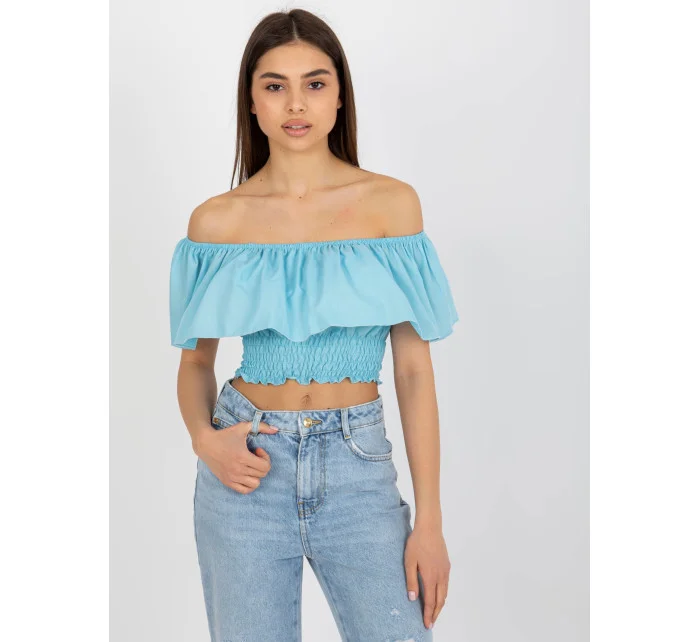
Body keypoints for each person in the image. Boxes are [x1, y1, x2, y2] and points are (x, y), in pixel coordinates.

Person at [169, 9, 459, 641]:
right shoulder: (216, 222)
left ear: (339, 95)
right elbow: (195, 362)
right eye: (275, 85)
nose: (296, 103)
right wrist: (204, 439)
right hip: (246, 466)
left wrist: (430, 522)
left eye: (315, 83)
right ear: (251, 100)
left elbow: (413, 370)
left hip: (358, 467)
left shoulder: (392, 206)